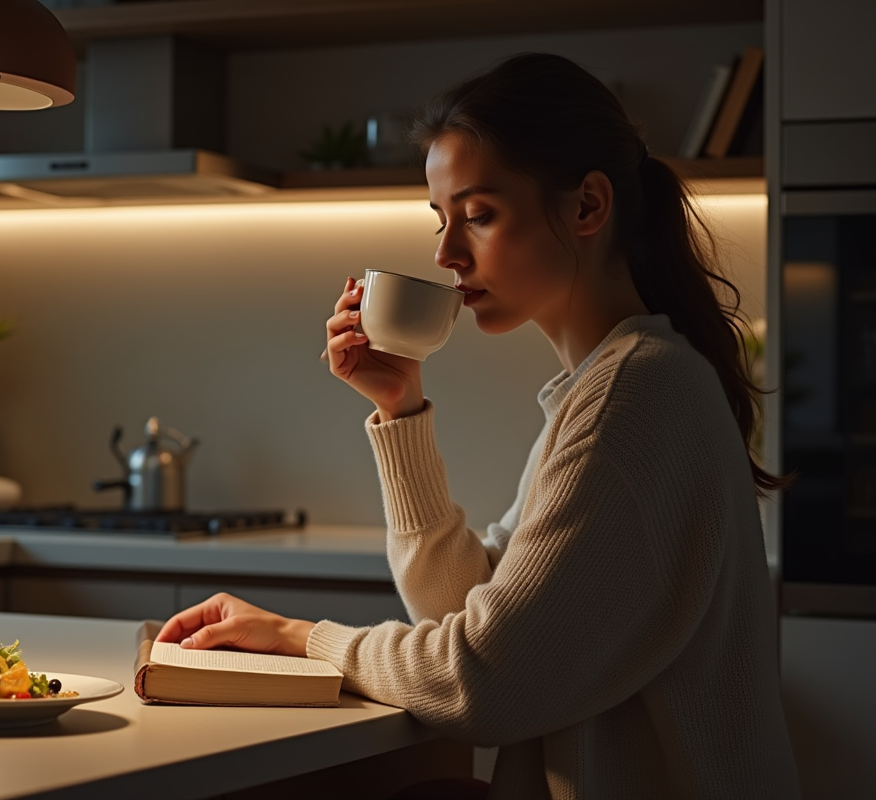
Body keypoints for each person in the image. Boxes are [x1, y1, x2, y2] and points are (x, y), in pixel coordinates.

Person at [157, 52, 799, 799]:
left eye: (480, 215)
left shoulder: (634, 396)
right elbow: (473, 612)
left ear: (588, 206)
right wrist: (400, 412)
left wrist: (304, 639)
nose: (445, 254)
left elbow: (487, 681)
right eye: (441, 219)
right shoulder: (609, 385)